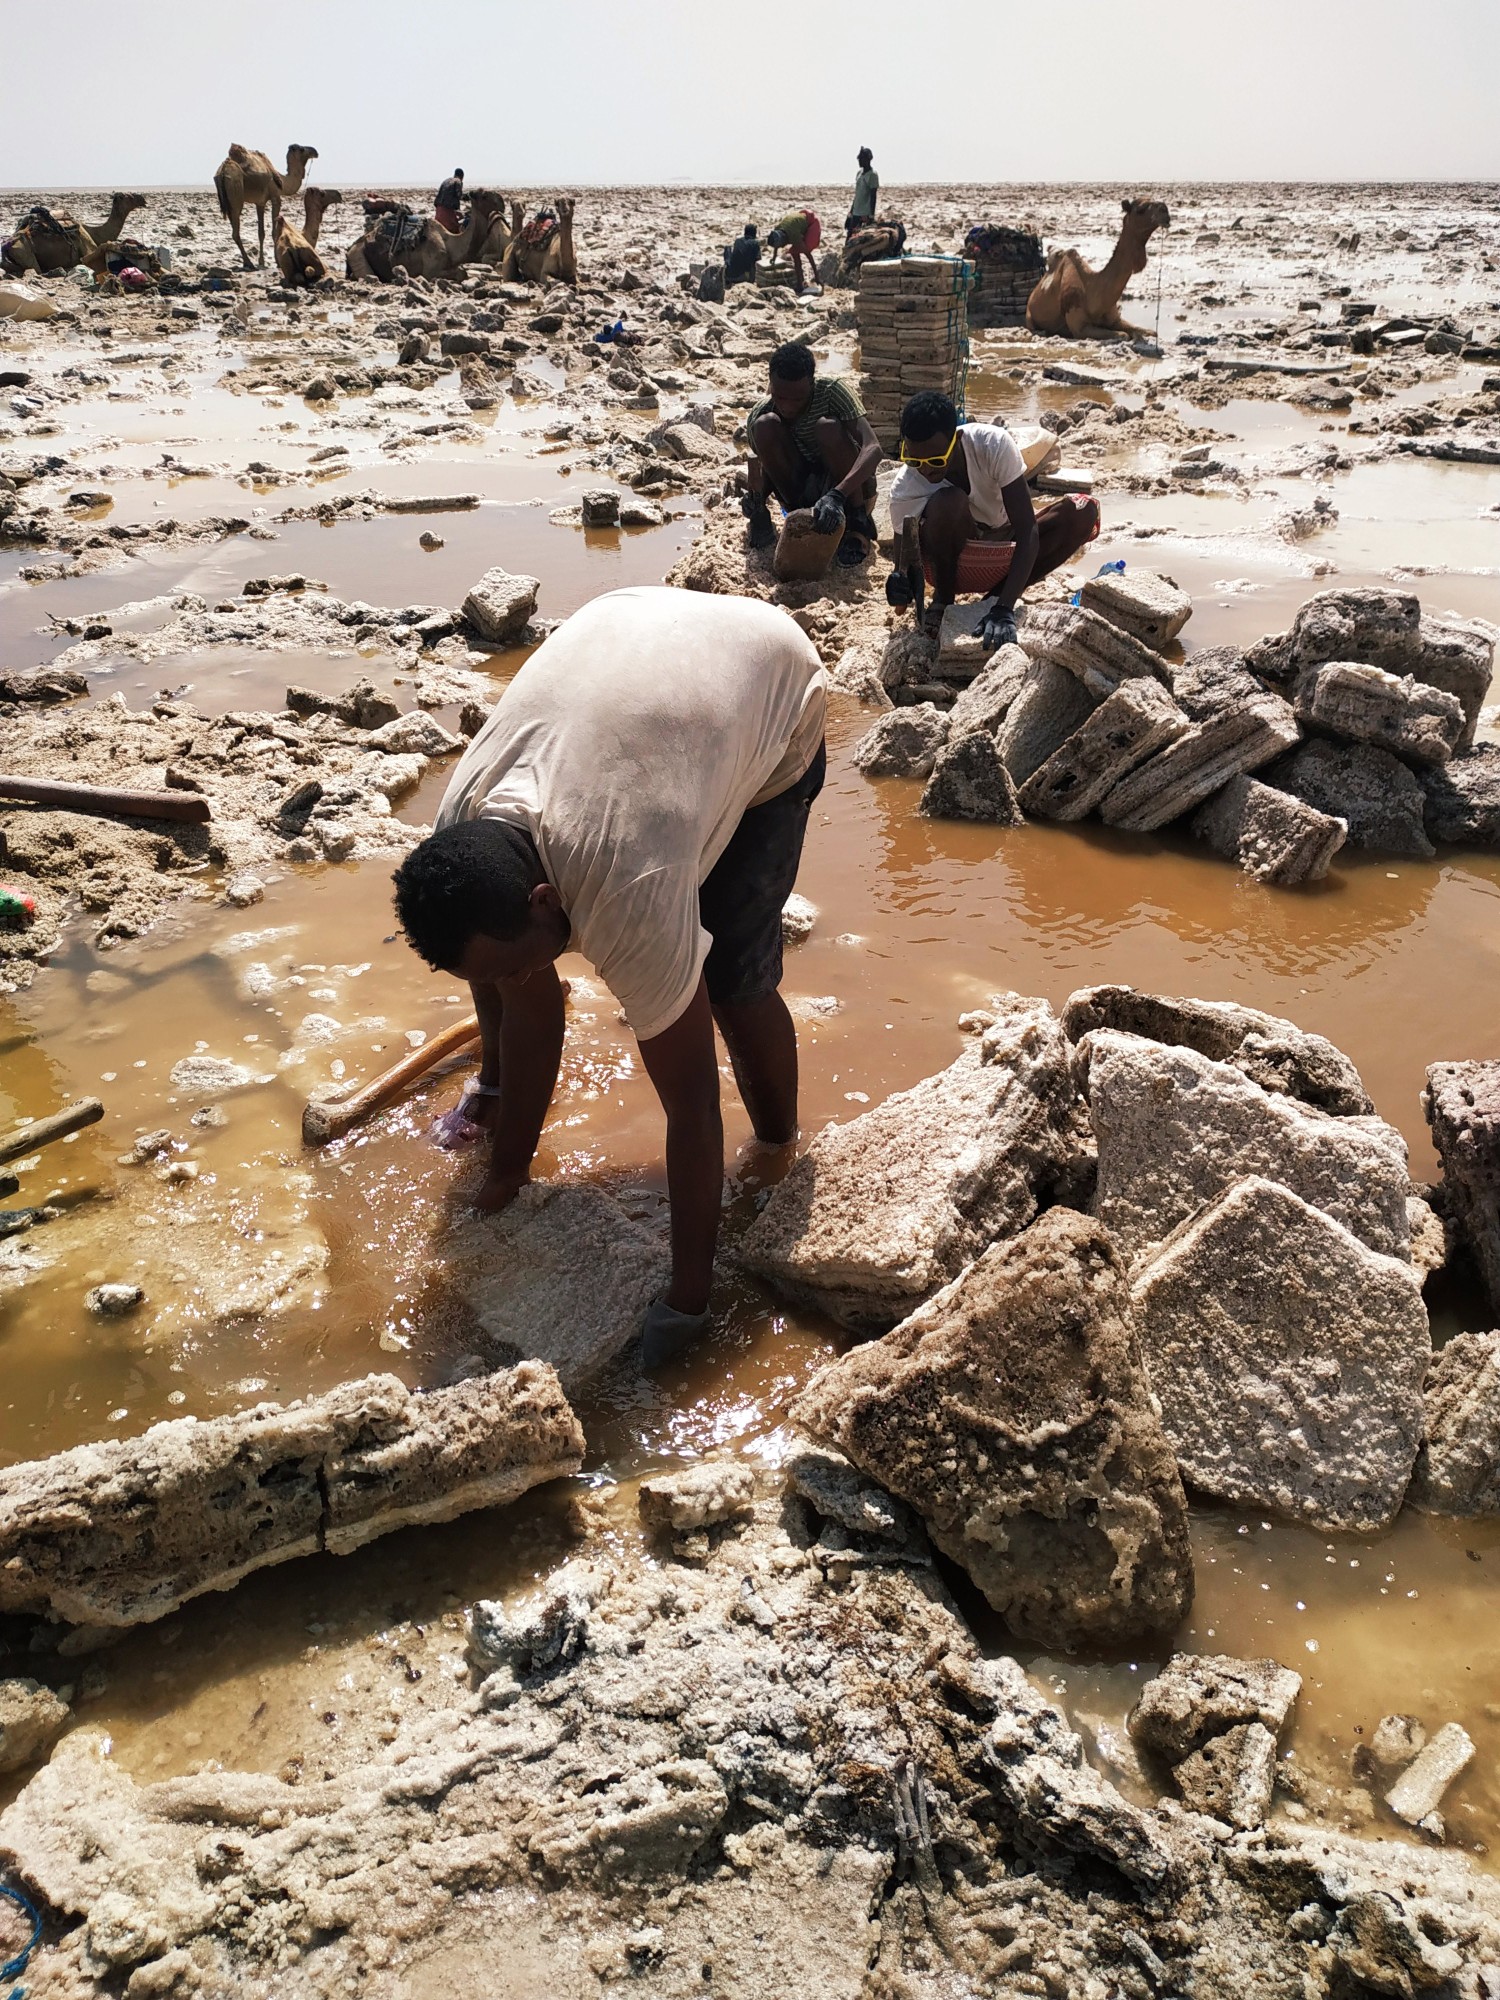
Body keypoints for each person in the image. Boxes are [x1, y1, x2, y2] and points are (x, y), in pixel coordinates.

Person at [392, 586, 827, 1370]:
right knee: (515, 972)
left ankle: (779, 1149)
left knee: (732, 977)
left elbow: (693, 1108)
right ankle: (497, 1107)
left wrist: (687, 1304)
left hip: (770, 678)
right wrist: (506, 1178)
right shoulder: (462, 827)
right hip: (633, 638)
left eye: (524, 964)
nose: (528, 980)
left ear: (546, 898)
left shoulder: (626, 882)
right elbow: (525, 998)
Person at [887, 390, 1101, 645]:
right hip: (951, 560)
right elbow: (904, 564)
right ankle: (943, 600)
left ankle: (995, 600)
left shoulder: (992, 445)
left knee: (1083, 512)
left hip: (1004, 543)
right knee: (949, 501)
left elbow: (1027, 530)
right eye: (914, 460)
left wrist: (1004, 608)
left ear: (957, 438)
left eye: (935, 460)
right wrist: (898, 587)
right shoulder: (905, 487)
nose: (925, 469)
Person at [743, 341, 882, 566]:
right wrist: (757, 499)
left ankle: (858, 524)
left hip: (848, 489)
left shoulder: (832, 392)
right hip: (800, 492)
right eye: (780, 397)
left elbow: (873, 448)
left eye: (797, 399)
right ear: (770, 386)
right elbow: (768, 469)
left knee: (827, 427)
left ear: (811, 383)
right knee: (765, 425)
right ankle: (801, 521)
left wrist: (838, 495)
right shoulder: (762, 413)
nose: (787, 406)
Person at [765, 208, 822, 292]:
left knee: (801, 252)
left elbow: (808, 255)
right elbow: (776, 244)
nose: (781, 247)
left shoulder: (794, 235)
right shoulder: (777, 231)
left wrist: (817, 277)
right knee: (795, 255)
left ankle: (802, 283)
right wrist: (773, 258)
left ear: (785, 240)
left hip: (811, 223)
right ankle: (800, 282)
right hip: (797, 221)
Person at [847, 148, 879, 235]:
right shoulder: (859, 173)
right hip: (856, 212)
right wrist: (850, 213)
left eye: (862, 159)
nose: (859, 161)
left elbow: (873, 196)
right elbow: (857, 195)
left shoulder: (872, 175)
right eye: (859, 159)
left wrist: (871, 215)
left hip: (865, 214)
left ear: (868, 159)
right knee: (850, 238)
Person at [724, 221, 761, 288]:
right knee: (754, 263)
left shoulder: (738, 241)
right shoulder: (755, 243)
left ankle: (725, 274)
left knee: (728, 248)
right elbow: (758, 260)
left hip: (729, 274)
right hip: (742, 277)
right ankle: (750, 281)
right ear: (754, 233)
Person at [434, 169, 465, 233]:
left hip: (439, 210)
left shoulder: (446, 181)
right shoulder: (458, 181)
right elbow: (460, 195)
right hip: (447, 212)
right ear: (462, 176)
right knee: (455, 231)